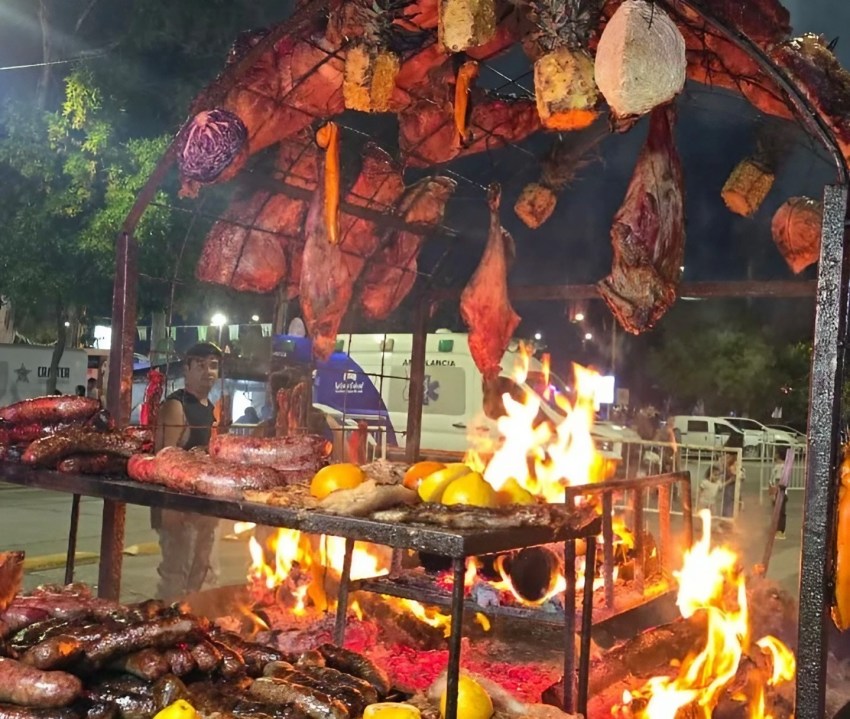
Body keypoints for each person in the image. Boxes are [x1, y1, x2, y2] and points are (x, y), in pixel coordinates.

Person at [151, 342, 222, 599]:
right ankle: (165, 626)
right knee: (175, 575)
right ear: (187, 369)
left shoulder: (210, 407)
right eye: (201, 366)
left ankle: (195, 627)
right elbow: (163, 459)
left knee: (205, 573)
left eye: (213, 366)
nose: (208, 372)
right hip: (176, 506)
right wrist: (167, 508)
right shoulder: (175, 406)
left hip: (204, 505)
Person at [770, 446, 792, 539]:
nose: (774, 455)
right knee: (778, 512)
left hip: (780, 493)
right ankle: (777, 530)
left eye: (776, 453)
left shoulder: (781, 467)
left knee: (780, 512)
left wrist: (775, 493)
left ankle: (780, 531)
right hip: (778, 493)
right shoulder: (781, 466)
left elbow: (779, 481)